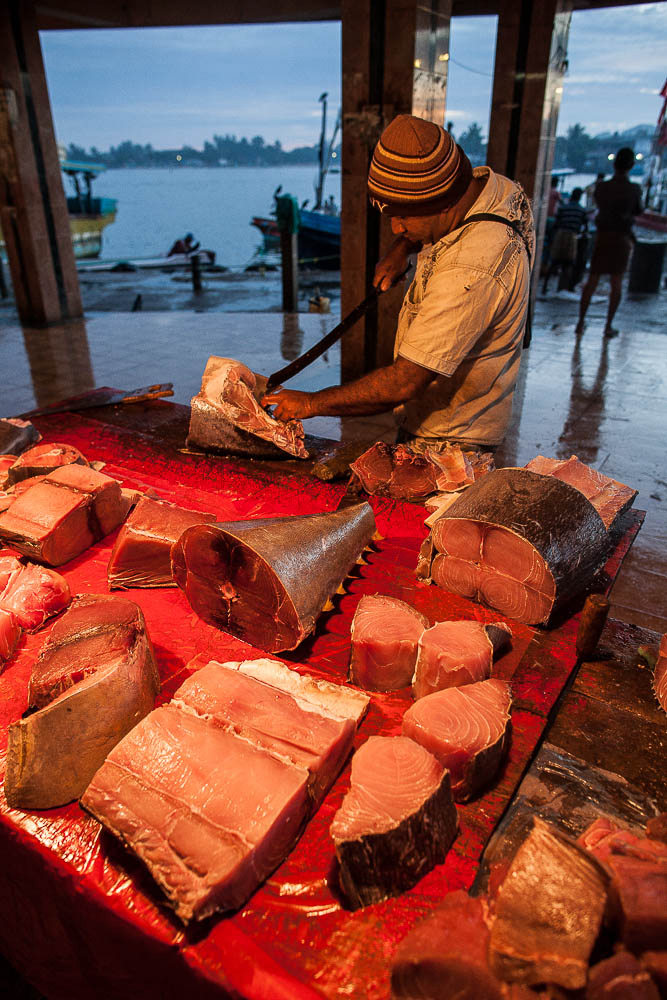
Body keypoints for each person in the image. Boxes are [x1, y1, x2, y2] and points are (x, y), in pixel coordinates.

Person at [261, 115, 534, 455]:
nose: (394, 228)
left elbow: (406, 381)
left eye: (403, 217)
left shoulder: (472, 265)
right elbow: (444, 214)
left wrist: (312, 403)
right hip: (439, 418)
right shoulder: (491, 191)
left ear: (443, 204)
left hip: (451, 441)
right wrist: (404, 247)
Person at [576, 148, 642, 338]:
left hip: (603, 237)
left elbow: (598, 202)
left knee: (592, 280)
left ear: (614, 165)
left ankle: (580, 322)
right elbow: (638, 210)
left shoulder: (602, 187)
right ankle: (608, 325)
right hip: (621, 238)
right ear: (631, 166)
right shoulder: (634, 189)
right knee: (616, 281)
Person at [542, 187, 588, 293]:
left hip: (560, 235)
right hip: (572, 237)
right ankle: (562, 288)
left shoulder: (563, 208)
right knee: (568, 263)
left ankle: (544, 286)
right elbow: (584, 227)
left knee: (554, 261)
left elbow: (556, 223)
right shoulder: (581, 210)